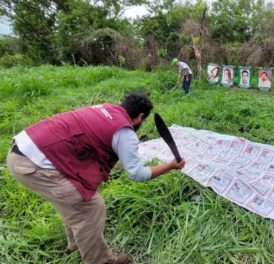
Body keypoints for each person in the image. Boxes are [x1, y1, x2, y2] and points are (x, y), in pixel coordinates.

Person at [6, 93, 186, 264]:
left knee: (72, 201)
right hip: (33, 164)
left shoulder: (105, 108)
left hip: (24, 148)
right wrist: (170, 166)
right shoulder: (125, 133)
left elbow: (88, 142)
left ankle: (76, 245)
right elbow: (137, 174)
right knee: (89, 206)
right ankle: (101, 260)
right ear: (140, 117)